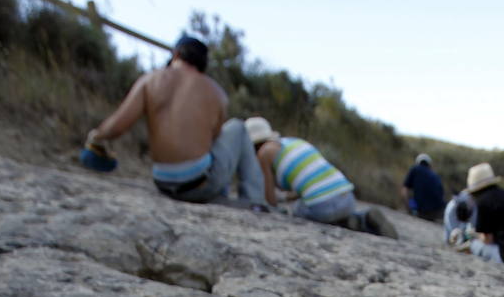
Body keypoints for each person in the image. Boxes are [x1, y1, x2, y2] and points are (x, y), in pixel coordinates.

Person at [84, 34, 267, 209]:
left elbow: (117, 126)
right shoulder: (216, 92)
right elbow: (215, 139)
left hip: (163, 182)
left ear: (176, 54)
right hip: (200, 185)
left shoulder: (150, 80)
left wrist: (96, 137)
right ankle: (254, 201)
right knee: (237, 127)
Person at [245, 117, 396, 237]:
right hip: (348, 198)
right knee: (319, 204)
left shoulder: (264, 153)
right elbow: (309, 183)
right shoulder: (294, 142)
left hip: (323, 206)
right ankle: (360, 220)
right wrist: (286, 197)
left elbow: (269, 196)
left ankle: (346, 222)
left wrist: (274, 209)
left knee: (298, 210)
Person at [401, 154, 446, 221]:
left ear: (418, 162)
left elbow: (405, 189)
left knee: (410, 197)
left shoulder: (415, 169)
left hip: (421, 211)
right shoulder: (435, 175)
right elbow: (441, 193)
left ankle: (415, 212)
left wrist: (408, 207)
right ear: (429, 164)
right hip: (438, 211)